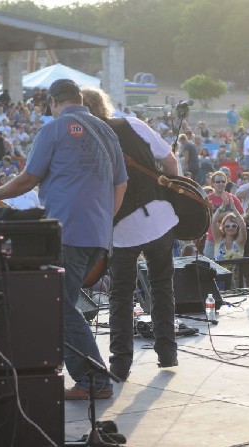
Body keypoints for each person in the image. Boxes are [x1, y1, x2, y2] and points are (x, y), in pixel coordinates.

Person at [0, 79, 127, 400]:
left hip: (67, 231)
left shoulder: (54, 129)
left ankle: (94, 380)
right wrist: (102, 220)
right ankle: (80, 375)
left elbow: (29, 178)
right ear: (79, 99)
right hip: (97, 233)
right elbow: (120, 185)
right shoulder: (107, 130)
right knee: (60, 304)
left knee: (59, 306)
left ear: (54, 102)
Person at [81, 87, 179, 381]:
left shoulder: (86, 141)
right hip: (160, 218)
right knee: (163, 287)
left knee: (120, 296)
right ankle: (168, 354)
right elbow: (171, 162)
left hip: (121, 229)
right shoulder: (134, 125)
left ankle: (120, 365)